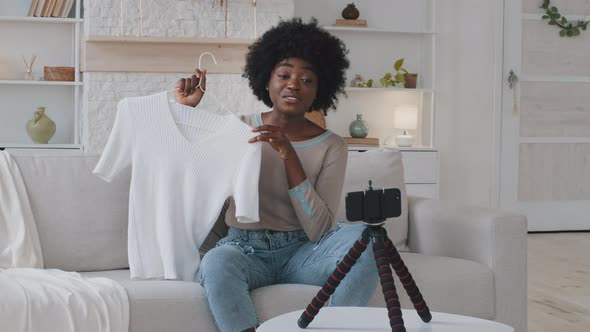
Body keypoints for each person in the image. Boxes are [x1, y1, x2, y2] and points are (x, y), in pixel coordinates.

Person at [175, 18, 378, 332]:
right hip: (244, 250)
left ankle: (337, 328)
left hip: (303, 251)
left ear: (320, 90)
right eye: (284, 74)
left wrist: (288, 155)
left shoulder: (332, 146)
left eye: (307, 80)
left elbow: (320, 228)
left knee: (371, 239)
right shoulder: (237, 127)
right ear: (266, 78)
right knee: (216, 263)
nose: (294, 85)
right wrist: (186, 112)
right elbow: (192, 175)